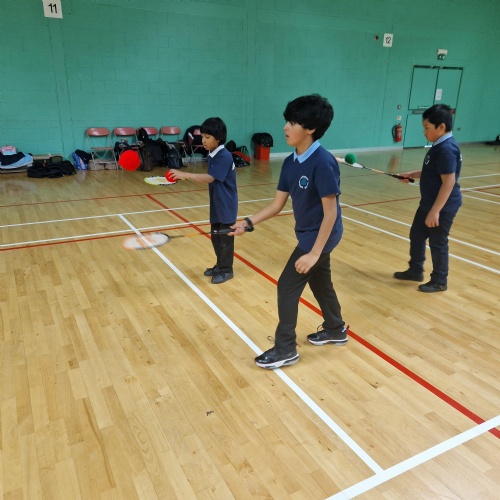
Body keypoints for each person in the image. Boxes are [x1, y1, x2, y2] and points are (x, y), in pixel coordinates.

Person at [231, 94, 347, 369]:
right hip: (308, 234)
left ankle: (285, 348)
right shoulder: (290, 162)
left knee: (287, 285)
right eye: (287, 120)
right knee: (320, 282)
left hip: (322, 235)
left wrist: (314, 252)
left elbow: (330, 213)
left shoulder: (323, 162)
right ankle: (335, 328)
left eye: (293, 122)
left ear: (310, 128)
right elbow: (277, 204)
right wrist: (248, 222)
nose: (285, 127)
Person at [394, 103, 462, 292]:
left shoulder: (447, 149)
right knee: (416, 235)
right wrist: (412, 174)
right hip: (429, 203)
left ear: (441, 127)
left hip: (442, 207)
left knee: (438, 242)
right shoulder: (439, 145)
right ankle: (415, 271)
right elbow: (433, 172)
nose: (424, 132)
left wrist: (435, 211)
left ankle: (440, 280)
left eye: (427, 128)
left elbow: (448, 182)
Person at [170, 117, 237, 284]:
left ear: (219, 138)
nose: (203, 140)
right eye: (202, 136)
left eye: (207, 137)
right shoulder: (212, 154)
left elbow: (210, 178)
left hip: (226, 205)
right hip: (216, 203)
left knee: (225, 240)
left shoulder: (224, 156)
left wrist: (185, 174)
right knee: (216, 237)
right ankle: (220, 265)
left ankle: (227, 270)